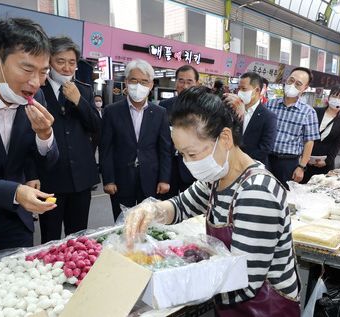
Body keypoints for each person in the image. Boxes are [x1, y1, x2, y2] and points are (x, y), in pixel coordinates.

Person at [125, 87, 300, 316]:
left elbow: (243, 281)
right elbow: (179, 206)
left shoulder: (256, 192)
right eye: (183, 155)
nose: (188, 163)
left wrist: (165, 286)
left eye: (193, 154)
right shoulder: (217, 177)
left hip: (264, 308)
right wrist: (151, 209)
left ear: (225, 138)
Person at [0, 17, 59, 253]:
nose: (35, 83)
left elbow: (46, 162)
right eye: (26, 69)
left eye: (43, 72)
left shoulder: (36, 97)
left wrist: (45, 135)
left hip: (16, 223)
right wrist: (13, 192)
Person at [37, 36, 100, 243]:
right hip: (50, 178)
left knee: (79, 236)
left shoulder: (85, 90)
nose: (66, 68)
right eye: (60, 61)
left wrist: (79, 101)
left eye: (71, 62)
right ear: (49, 61)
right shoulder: (38, 90)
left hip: (81, 179)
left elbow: (97, 127)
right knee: (50, 238)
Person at [100, 59, 172, 221]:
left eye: (144, 81)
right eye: (134, 80)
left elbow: (165, 149)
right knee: (122, 223)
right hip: (121, 179)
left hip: (151, 179)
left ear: (151, 85)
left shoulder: (160, 113)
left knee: (149, 224)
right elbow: (106, 148)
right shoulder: (112, 112)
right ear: (126, 82)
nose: (138, 85)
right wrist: (108, 179)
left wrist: (164, 179)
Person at [266, 67, 319, 188]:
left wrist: (301, 167)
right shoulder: (269, 104)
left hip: (288, 163)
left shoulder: (308, 112)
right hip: (266, 159)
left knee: (285, 197)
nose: (292, 85)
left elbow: (309, 142)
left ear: (304, 88)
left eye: (298, 84)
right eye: (291, 80)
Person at [159, 65, 199, 197]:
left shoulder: (204, 108)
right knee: (167, 211)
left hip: (193, 171)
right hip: (168, 170)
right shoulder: (164, 107)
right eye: (181, 81)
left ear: (196, 84)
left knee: (192, 214)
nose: (185, 86)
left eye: (189, 81)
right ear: (176, 82)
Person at [224, 72, 277, 166]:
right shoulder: (233, 110)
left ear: (257, 90)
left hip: (253, 165)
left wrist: (242, 159)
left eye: (244, 89)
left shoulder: (268, 116)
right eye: (238, 89)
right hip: (230, 162)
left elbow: (266, 147)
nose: (240, 92)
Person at [303, 85, 340, 183]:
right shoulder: (315, 111)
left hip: (325, 164)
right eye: (334, 96)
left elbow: (338, 143)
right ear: (328, 97)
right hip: (305, 162)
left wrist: (327, 161)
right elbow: (304, 134)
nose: (336, 99)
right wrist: (303, 157)